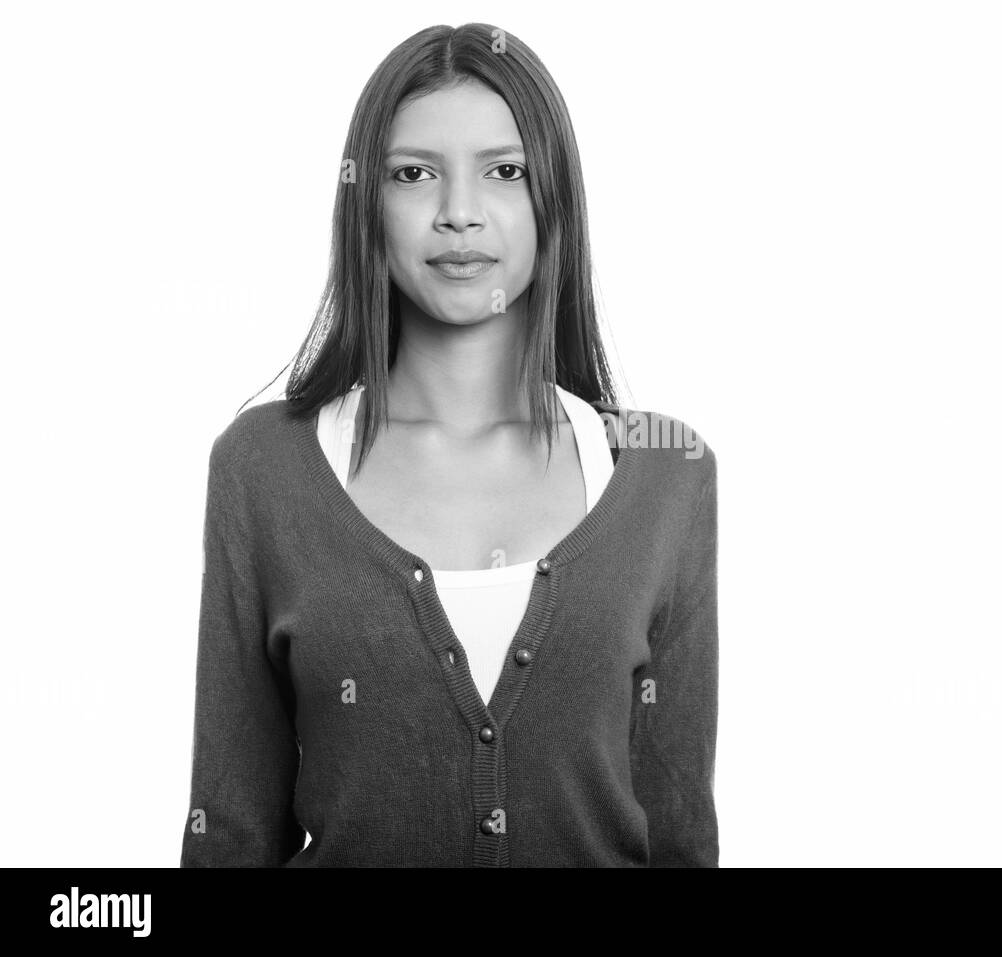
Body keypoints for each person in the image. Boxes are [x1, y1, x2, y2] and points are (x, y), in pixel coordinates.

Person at [180, 22, 718, 867]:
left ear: (555, 204)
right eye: (414, 174)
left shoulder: (664, 475)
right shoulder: (263, 469)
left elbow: (681, 833)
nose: (459, 211)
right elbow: (231, 832)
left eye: (505, 172)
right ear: (368, 201)